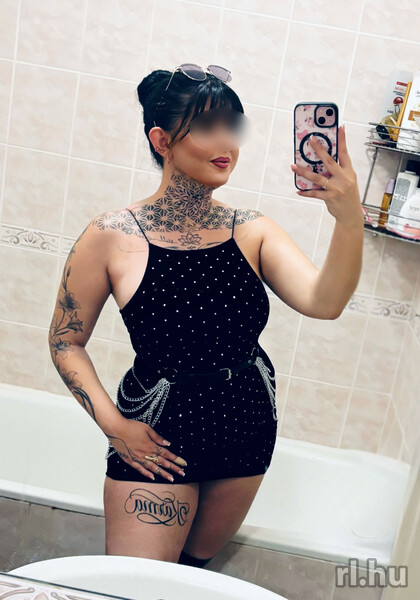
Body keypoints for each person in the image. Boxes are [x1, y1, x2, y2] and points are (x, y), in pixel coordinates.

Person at [48, 64, 363, 569]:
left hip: (246, 419)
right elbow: (65, 341)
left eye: (231, 127)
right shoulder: (110, 234)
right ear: (162, 140)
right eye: (207, 127)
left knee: (195, 572)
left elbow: (325, 303)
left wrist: (349, 218)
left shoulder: (253, 230)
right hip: (157, 429)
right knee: (139, 582)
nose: (226, 143)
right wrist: (114, 426)